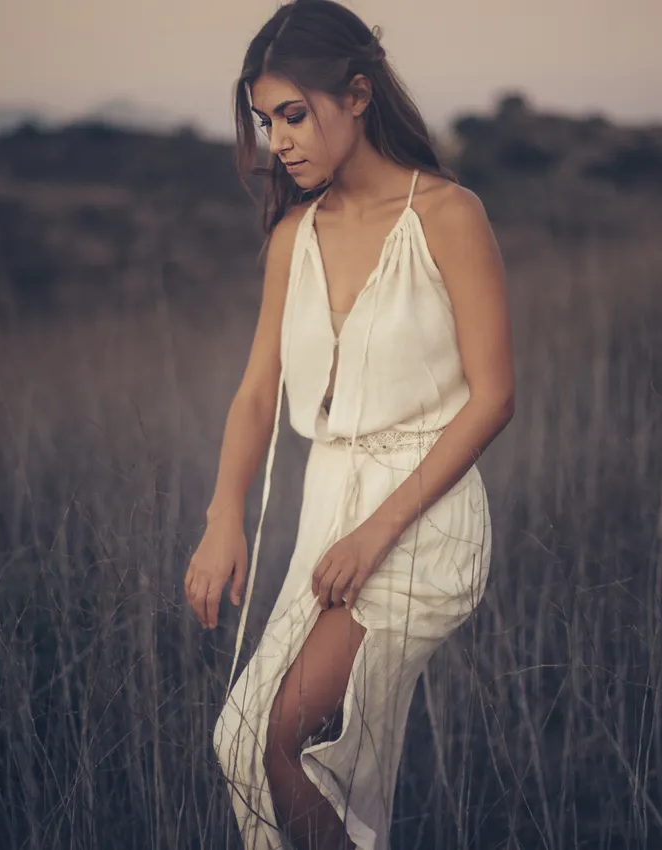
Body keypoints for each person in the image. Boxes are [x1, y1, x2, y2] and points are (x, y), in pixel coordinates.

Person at [184, 2, 514, 847]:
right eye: (266, 123)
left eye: (294, 115)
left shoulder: (448, 215)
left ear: (358, 94)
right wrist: (225, 516)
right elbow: (258, 390)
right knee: (239, 744)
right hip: (329, 519)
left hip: (423, 522)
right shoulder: (294, 236)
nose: (279, 141)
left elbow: (493, 398)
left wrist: (375, 535)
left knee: (274, 741)